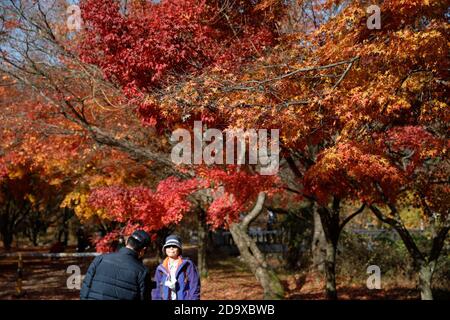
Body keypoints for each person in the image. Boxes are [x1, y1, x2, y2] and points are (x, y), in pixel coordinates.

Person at [80, 230, 151, 300]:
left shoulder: (100, 259)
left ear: (127, 242)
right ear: (143, 250)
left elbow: (85, 289)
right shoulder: (142, 272)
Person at [152, 234, 200, 300]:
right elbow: (156, 290)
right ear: (165, 249)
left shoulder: (188, 265)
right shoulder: (160, 269)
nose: (171, 248)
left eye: (174, 246)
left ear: (179, 249)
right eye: (168, 246)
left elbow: (194, 286)